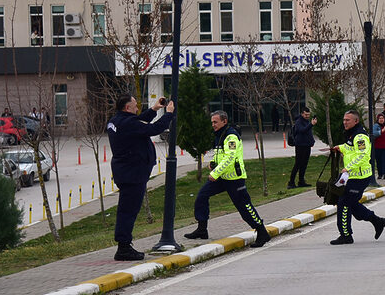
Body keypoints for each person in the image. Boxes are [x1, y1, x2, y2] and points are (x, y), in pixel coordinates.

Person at [183, 111, 271, 247]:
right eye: (212, 122)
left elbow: (230, 158)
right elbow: (220, 155)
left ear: (224, 121)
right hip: (221, 177)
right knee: (201, 196)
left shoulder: (231, 136)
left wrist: (215, 173)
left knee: (244, 207)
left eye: (215, 122)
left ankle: (262, 232)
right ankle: (202, 229)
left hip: (234, 178)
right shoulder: (219, 135)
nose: (213, 125)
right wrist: (213, 163)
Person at [107, 94, 175, 261]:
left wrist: (154, 109)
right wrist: (169, 114)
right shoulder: (128, 123)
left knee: (126, 209)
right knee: (128, 211)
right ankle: (123, 248)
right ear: (127, 108)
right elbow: (153, 129)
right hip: (133, 173)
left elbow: (137, 123)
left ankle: (124, 245)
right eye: (135, 106)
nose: (138, 108)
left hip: (126, 172)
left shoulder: (116, 121)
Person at [327, 110, 385, 245]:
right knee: (351, 203)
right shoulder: (352, 135)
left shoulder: (360, 136)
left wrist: (348, 167)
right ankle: (377, 221)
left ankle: (346, 235)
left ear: (356, 121)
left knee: (343, 202)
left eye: (348, 120)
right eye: (344, 120)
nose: (345, 122)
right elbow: (351, 149)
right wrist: (340, 148)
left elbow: (363, 155)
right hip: (352, 176)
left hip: (359, 176)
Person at [287, 106, 317, 188]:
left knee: (304, 164)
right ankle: (291, 182)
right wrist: (311, 124)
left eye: (308, 115)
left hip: (307, 145)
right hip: (300, 145)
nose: (307, 116)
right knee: (298, 164)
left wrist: (312, 141)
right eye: (306, 114)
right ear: (302, 113)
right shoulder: (298, 121)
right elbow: (302, 130)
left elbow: (308, 133)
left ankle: (301, 181)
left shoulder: (307, 121)